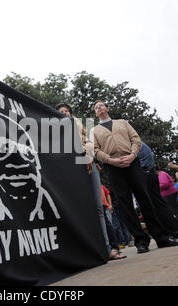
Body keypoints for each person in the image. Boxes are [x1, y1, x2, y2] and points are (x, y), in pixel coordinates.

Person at [91, 100, 178, 254]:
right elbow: (95, 149)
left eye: (101, 105)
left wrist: (132, 155)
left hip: (132, 163)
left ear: (107, 108)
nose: (99, 108)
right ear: (95, 113)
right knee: (125, 203)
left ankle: (161, 237)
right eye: (96, 107)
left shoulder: (123, 123)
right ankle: (141, 241)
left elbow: (135, 139)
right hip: (112, 166)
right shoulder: (94, 130)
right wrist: (110, 160)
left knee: (145, 199)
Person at [56, 103, 125, 260]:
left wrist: (88, 156)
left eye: (67, 111)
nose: (64, 113)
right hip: (71, 170)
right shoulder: (57, 134)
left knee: (99, 207)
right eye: (61, 112)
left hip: (88, 165)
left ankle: (109, 248)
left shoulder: (82, 130)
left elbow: (91, 147)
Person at [136, 141, 178, 240]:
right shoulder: (141, 144)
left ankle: (171, 231)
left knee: (156, 206)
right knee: (159, 205)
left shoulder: (135, 145)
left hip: (146, 175)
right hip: (149, 174)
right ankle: (173, 231)